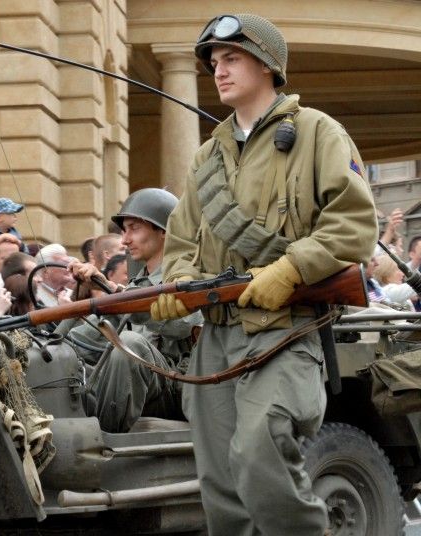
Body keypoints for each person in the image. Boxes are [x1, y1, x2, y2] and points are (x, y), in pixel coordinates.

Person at [152, 14, 378, 535]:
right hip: (217, 336)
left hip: (284, 330)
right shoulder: (208, 156)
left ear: (267, 64)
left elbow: (353, 224)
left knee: (261, 452)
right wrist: (180, 291)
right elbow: (183, 241)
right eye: (213, 63)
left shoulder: (318, 133)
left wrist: (291, 267)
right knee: (220, 483)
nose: (219, 71)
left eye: (232, 59)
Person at [67, 188, 202, 433]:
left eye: (134, 229)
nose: (125, 239)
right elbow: (89, 336)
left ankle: (104, 440)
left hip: (177, 386)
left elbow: (182, 323)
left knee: (130, 344)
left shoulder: (189, 277)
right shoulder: (135, 285)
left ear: (163, 231)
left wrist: (117, 295)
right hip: (144, 386)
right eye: (124, 230)